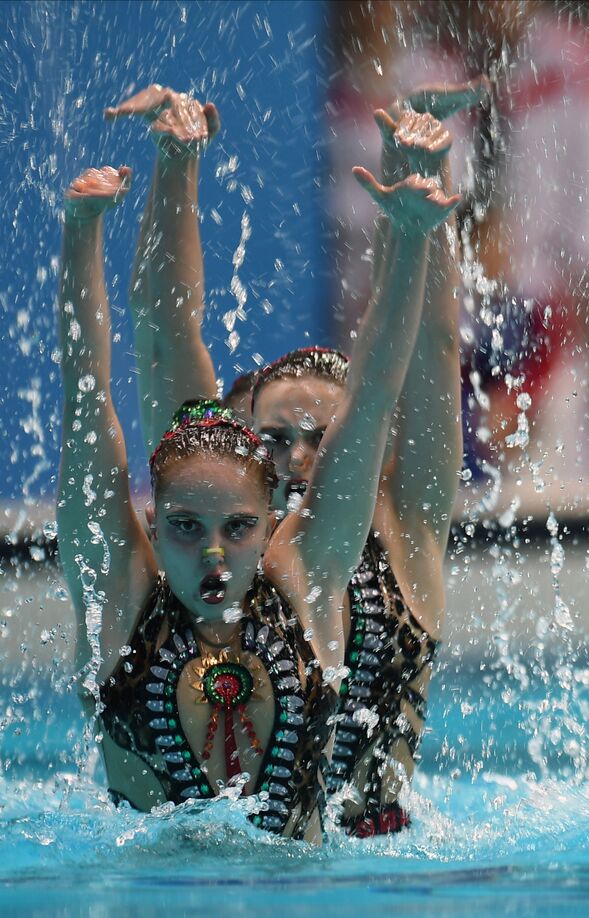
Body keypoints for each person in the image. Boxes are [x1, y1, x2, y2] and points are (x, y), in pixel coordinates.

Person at [107, 83, 481, 835]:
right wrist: (175, 168)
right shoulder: (215, 548)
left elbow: (426, 356)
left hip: (373, 863)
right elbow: (166, 339)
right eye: (275, 440)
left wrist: (418, 202)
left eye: (320, 438)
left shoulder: (402, 534)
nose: (298, 458)